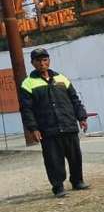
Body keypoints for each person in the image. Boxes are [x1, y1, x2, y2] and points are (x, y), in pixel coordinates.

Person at [18, 48, 91, 198]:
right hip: (48, 129)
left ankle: (77, 181)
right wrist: (33, 129)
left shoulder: (62, 79)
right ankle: (58, 187)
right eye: (38, 61)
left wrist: (81, 117)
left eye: (45, 60)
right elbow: (26, 109)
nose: (42, 63)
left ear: (49, 61)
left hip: (69, 125)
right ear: (33, 63)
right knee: (53, 160)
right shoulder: (28, 83)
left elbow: (74, 100)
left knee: (75, 156)